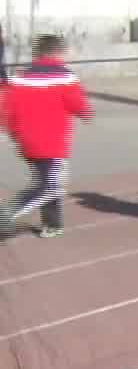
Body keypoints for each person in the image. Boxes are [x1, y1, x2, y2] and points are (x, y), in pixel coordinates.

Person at [2, 34, 91, 239]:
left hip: (26, 142)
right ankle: (7, 214)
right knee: (51, 187)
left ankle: (53, 224)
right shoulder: (65, 77)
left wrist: (13, 134)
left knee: (47, 181)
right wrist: (85, 113)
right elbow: (78, 105)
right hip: (52, 142)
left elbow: (6, 110)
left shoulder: (19, 77)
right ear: (59, 52)